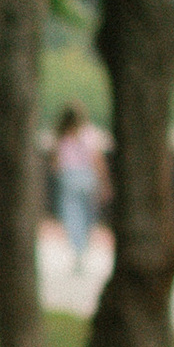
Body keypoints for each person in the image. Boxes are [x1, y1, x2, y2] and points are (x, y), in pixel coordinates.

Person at [53, 101, 105, 272]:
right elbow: (97, 159)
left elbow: (56, 162)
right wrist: (103, 181)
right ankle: (82, 248)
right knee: (87, 215)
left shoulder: (61, 136)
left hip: (69, 177)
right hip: (87, 177)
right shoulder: (90, 134)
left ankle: (77, 249)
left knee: (72, 214)